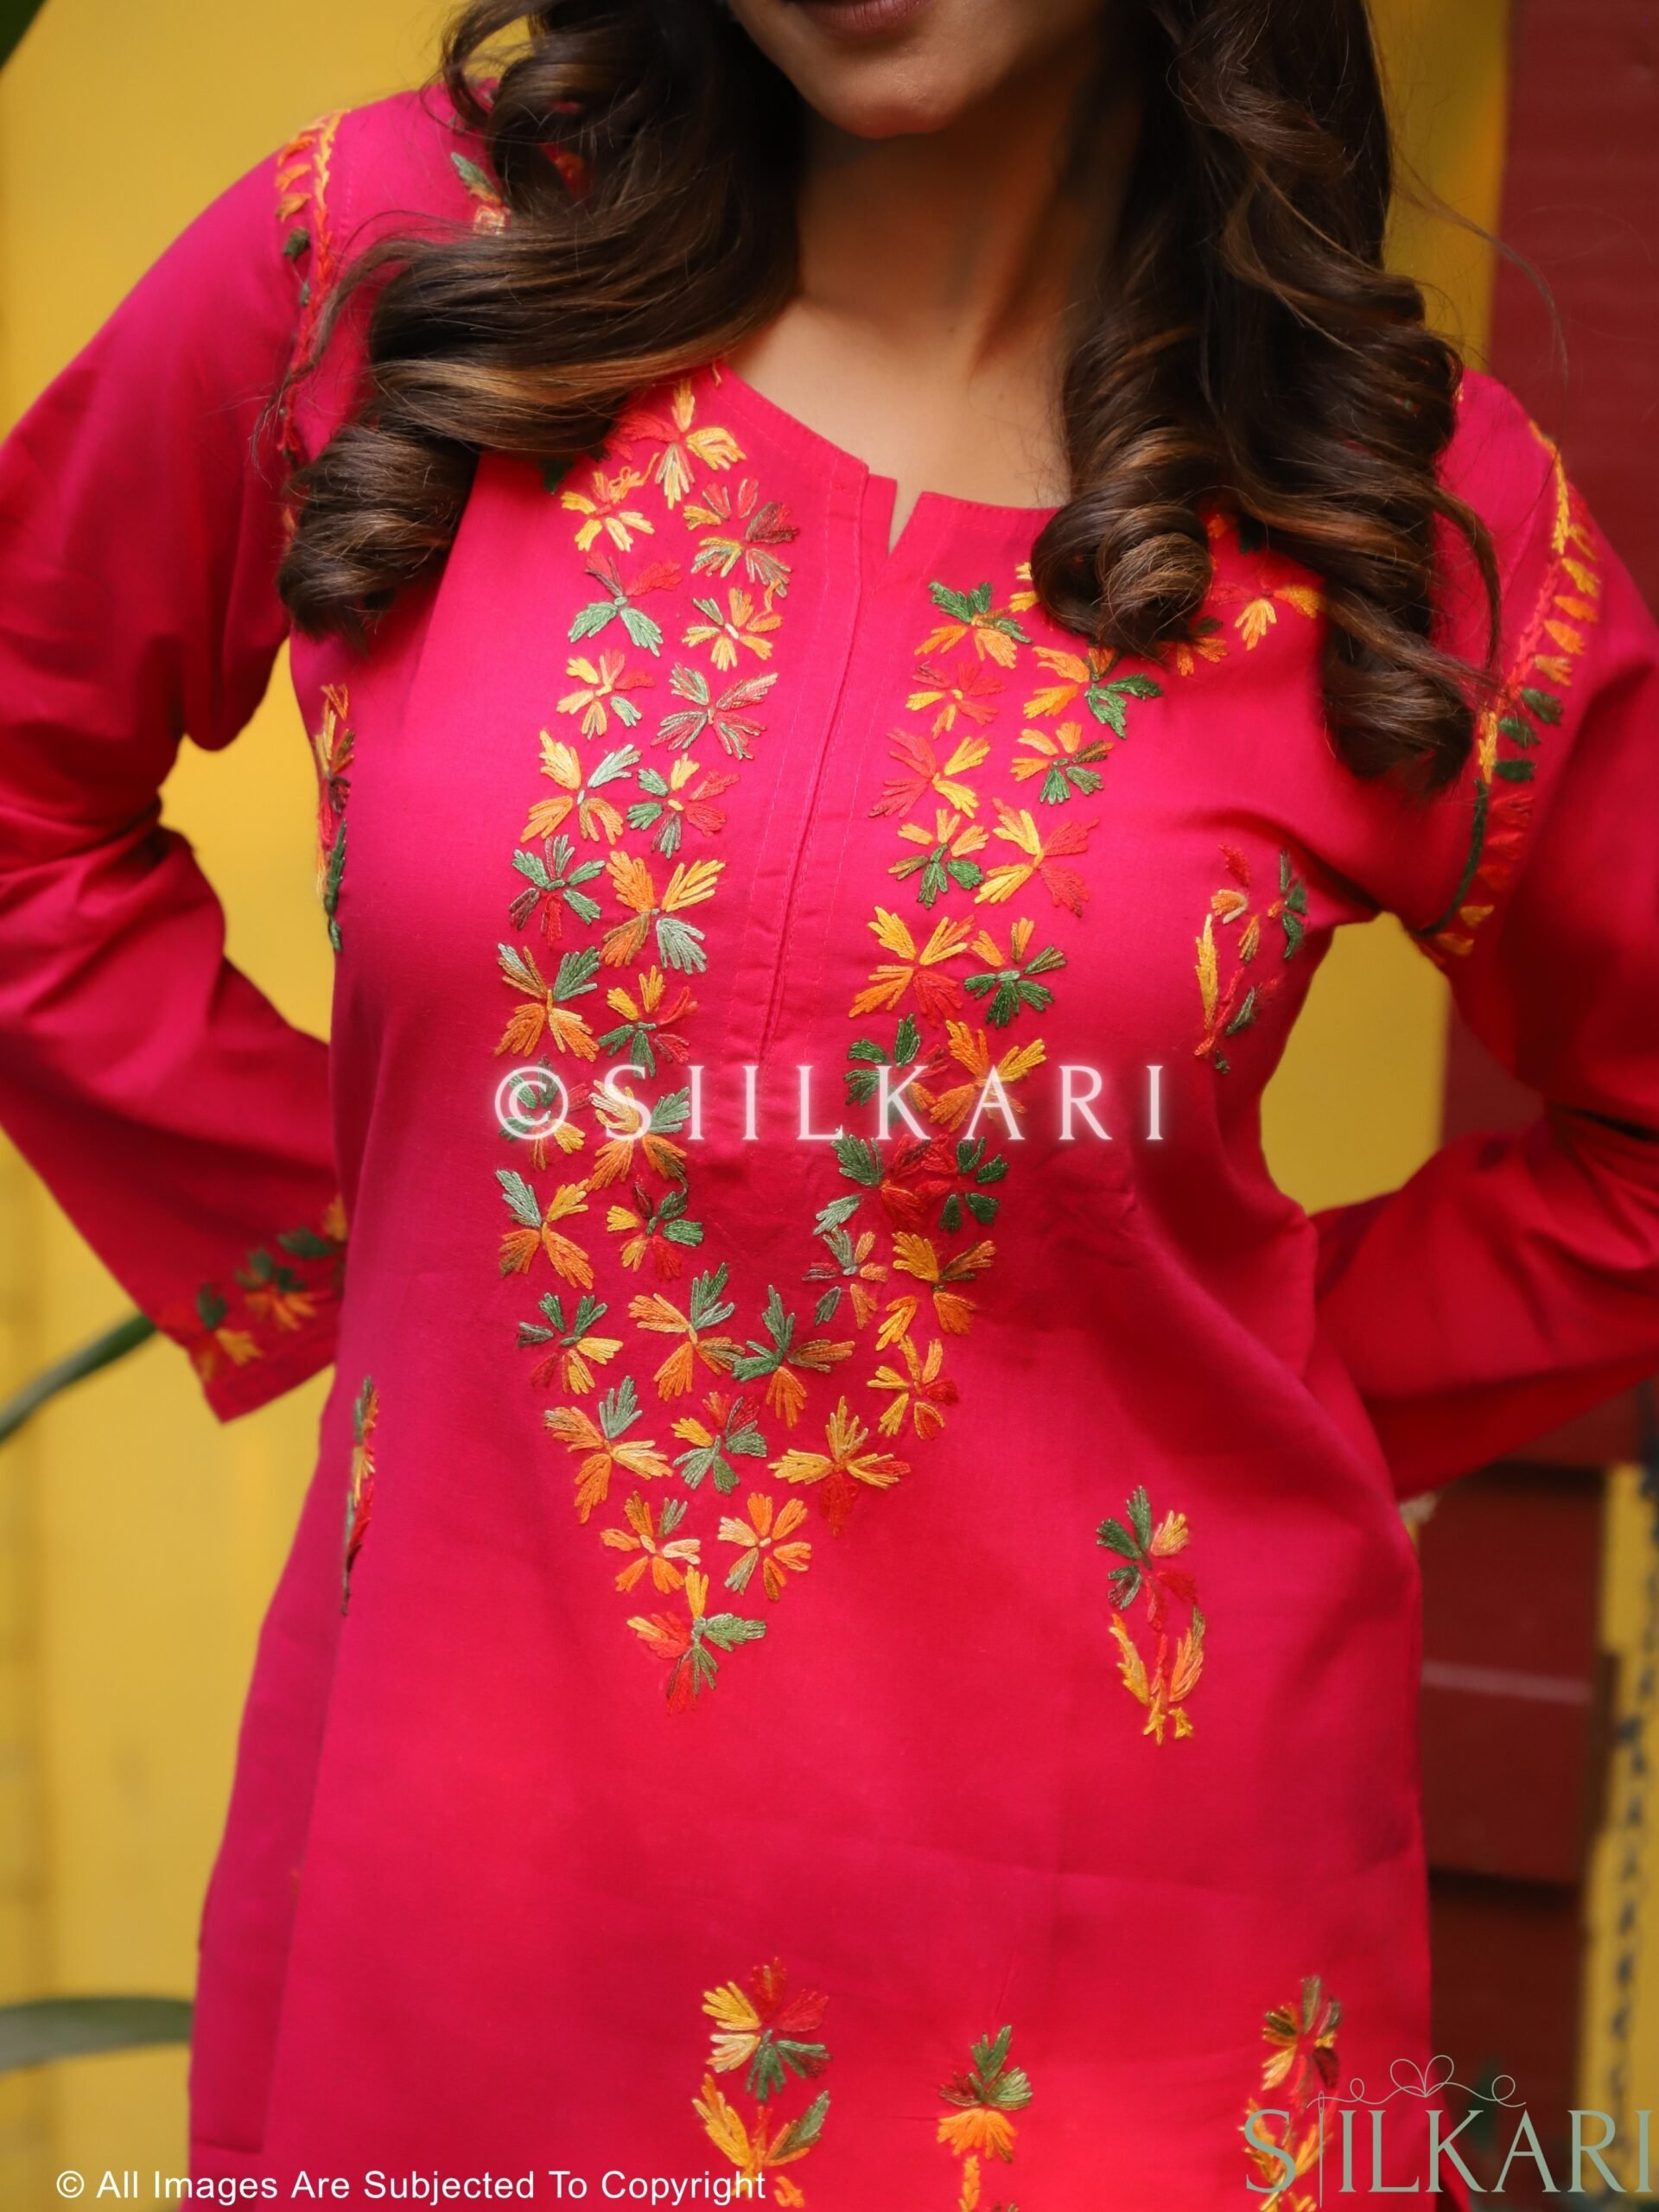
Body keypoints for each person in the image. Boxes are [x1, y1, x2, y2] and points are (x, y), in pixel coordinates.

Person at [2, 1, 1656, 2202]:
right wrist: (376, 1236)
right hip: (460, 1903)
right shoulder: (398, 267)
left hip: (1125, 1953)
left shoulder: (1379, 495)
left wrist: (1271, 1368)